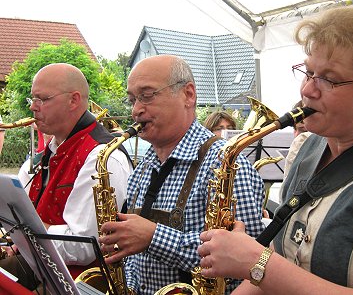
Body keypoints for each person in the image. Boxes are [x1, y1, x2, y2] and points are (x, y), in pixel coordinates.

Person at [197, 6, 353, 294]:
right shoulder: (303, 146)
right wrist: (255, 265)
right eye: (309, 72)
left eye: (329, 78)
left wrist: (253, 260)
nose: (307, 90)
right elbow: (278, 259)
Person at [98, 55, 265, 294]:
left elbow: (250, 262)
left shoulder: (226, 164)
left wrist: (154, 238)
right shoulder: (145, 165)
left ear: (188, 95)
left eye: (146, 96)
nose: (136, 110)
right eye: (132, 99)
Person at [0, 63, 133, 290]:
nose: (33, 107)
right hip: (43, 268)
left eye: (42, 99)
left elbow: (82, 247)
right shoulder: (50, 152)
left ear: (73, 100)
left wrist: (27, 229)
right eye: (32, 99)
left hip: (78, 283)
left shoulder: (102, 157)